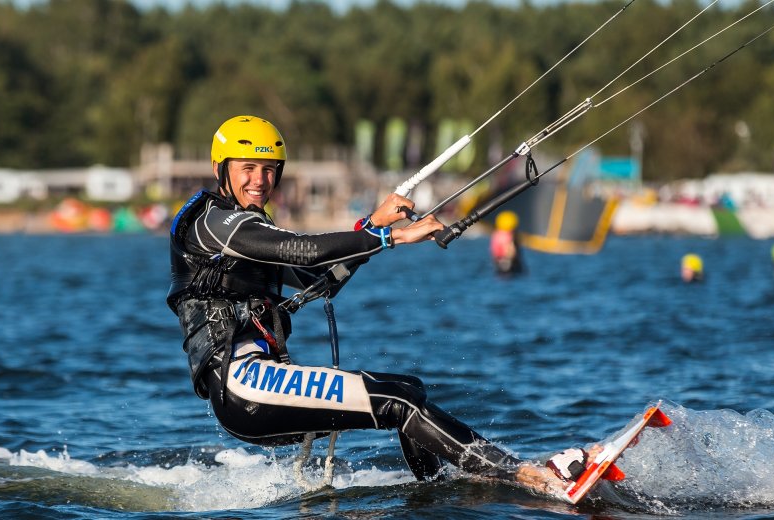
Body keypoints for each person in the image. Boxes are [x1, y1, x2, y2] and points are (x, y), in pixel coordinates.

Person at [167, 115, 589, 496]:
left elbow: (322, 281)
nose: (259, 180)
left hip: (263, 378)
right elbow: (301, 250)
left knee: (408, 391)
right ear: (222, 170)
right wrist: (393, 238)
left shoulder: (251, 228)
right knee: (399, 404)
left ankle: (440, 490)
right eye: (247, 169)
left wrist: (374, 226)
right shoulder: (213, 223)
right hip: (240, 383)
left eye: (268, 169)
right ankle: (529, 477)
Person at [490, 210, 525, 276]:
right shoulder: (510, 235)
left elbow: (493, 252)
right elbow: (511, 251)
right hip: (509, 263)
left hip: (499, 262)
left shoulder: (496, 234)